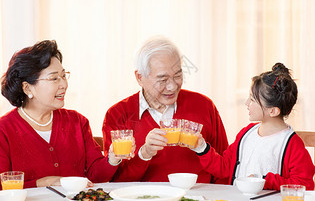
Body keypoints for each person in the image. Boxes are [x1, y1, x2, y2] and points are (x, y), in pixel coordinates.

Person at [102, 36, 229, 183]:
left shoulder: (204, 106)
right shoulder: (118, 115)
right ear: (139, 77)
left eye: (178, 75)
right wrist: (144, 153)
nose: (172, 86)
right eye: (162, 79)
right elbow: (116, 181)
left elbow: (224, 170)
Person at [0, 40, 123, 189]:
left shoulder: (77, 121)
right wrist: (43, 183)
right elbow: (3, 188)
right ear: (27, 88)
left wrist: (112, 158)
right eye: (54, 78)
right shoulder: (4, 130)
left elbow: (95, 177)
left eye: (64, 76)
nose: (63, 84)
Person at [193, 63, 315, 190]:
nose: (246, 103)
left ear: (273, 111)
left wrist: (264, 181)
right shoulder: (246, 134)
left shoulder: (292, 144)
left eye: (252, 99)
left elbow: (305, 185)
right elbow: (223, 168)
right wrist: (202, 147)